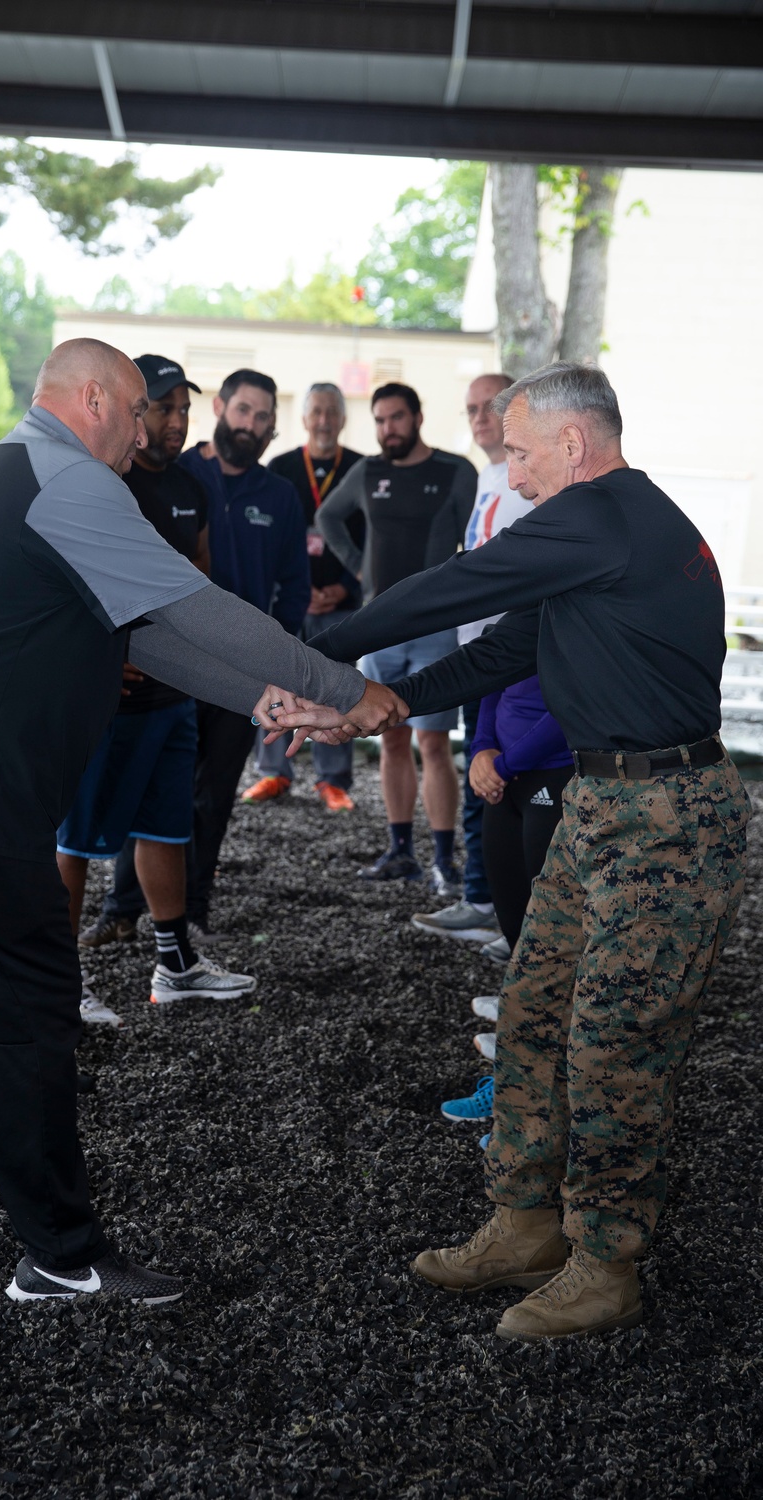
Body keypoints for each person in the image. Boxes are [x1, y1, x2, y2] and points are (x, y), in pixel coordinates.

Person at [0, 336, 403, 1304]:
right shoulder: (69, 481)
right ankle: (60, 1257)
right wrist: (339, 685)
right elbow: (193, 607)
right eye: (138, 410)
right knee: (27, 1016)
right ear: (91, 401)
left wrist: (262, 701)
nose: (155, 431)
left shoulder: (18, 470)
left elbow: (146, 632)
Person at [276, 362, 752, 1340]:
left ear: (574, 444)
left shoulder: (603, 514)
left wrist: (302, 655)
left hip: (670, 816)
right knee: (534, 1013)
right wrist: (388, 702)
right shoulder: (597, 534)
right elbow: (507, 645)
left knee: (616, 1042)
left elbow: (456, 585)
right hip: (601, 806)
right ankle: (527, 1223)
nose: (514, 470)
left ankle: (606, 1260)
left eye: (523, 451)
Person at [56, 355, 254, 1010]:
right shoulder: (101, 482)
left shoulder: (192, 489)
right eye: (162, 408)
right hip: (107, 702)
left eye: (182, 410)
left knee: (166, 828)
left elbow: (197, 582)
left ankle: (174, 966)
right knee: (76, 842)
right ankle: (57, 985)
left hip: (173, 698)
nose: (175, 422)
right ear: (133, 414)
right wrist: (109, 654)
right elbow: (73, 586)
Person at [318, 382, 477, 890]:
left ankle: (445, 860)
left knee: (432, 744)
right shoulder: (368, 471)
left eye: (397, 419)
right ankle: (401, 849)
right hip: (380, 627)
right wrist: (359, 572)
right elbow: (327, 517)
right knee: (389, 740)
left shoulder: (455, 471)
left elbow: (478, 541)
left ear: (417, 417)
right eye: (380, 420)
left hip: (436, 629)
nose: (389, 429)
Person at [177, 368, 311, 936]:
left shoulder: (280, 495)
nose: (251, 425)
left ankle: (194, 906)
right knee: (160, 787)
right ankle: (128, 906)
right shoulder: (177, 474)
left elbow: (295, 589)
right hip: (173, 663)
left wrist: (275, 662)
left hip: (243, 676)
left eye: (263, 418)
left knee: (215, 793)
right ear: (220, 407)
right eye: (244, 411)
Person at [412, 372, 534, 943]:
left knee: (503, 778)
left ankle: (505, 910)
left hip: (513, 653)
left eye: (492, 406)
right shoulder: (488, 473)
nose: (480, 417)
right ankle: (483, 897)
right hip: (476, 648)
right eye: (471, 409)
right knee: (476, 769)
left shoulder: (527, 477)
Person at [439, 673, 573, 1139]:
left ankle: (543, 1117)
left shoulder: (580, 608)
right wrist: (480, 750)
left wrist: (504, 762)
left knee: (554, 954)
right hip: (504, 778)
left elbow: (574, 699)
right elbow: (492, 679)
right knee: (519, 942)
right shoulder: (513, 612)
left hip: (558, 772)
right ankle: (516, 1096)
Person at [243, 382, 364, 811]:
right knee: (276, 680)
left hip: (342, 603)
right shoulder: (280, 467)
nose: (324, 420)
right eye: (317, 412)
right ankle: (274, 773)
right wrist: (293, 590)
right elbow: (267, 540)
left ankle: (332, 780)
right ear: (304, 418)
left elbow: (372, 541)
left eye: (333, 412)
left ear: (344, 418)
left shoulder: (360, 468)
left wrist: (346, 587)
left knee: (336, 687)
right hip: (289, 599)